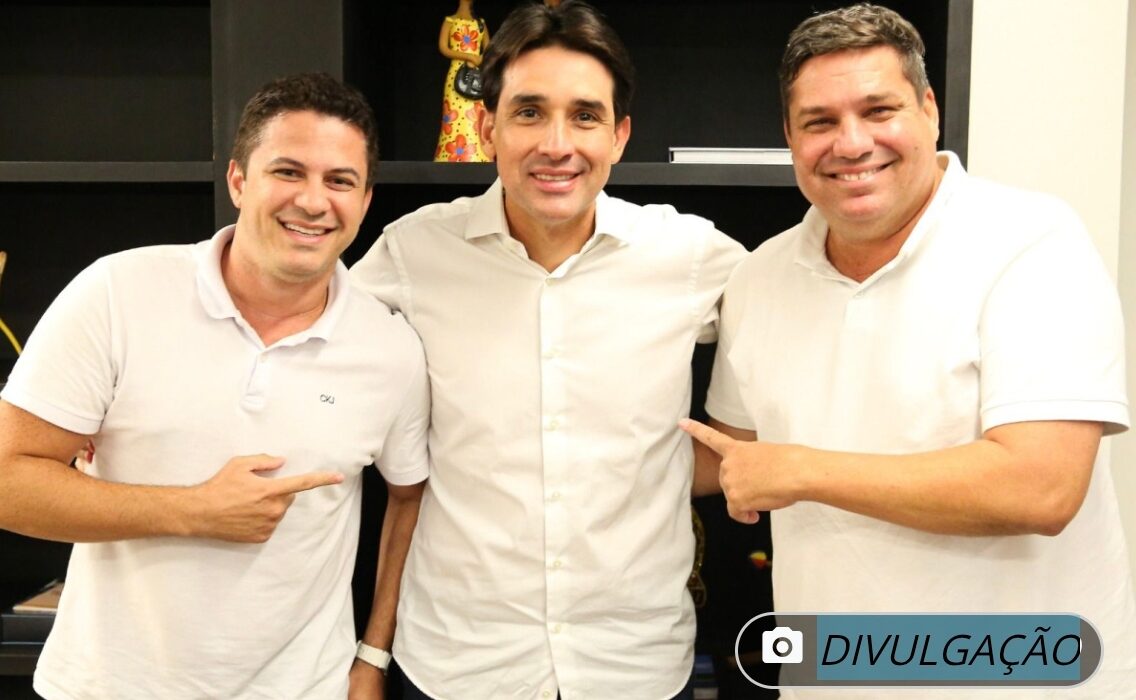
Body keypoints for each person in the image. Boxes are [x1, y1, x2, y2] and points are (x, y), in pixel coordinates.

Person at [682, 3, 1136, 697]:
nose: (851, 142)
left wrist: (802, 470)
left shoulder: (1031, 242)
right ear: (789, 136)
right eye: (819, 122)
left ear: (929, 110)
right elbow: (735, 454)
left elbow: (1042, 487)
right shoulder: (760, 275)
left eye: (878, 110)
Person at [350, 1, 746, 697]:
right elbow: (308, 344)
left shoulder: (688, 254)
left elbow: (802, 334)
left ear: (619, 136)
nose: (557, 144)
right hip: (458, 666)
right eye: (529, 112)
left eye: (585, 116)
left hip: (635, 667)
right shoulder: (415, 251)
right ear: (487, 127)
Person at [0, 72, 429, 699]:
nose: (314, 201)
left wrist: (373, 655)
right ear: (238, 180)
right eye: (288, 172)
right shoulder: (117, 293)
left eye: (339, 181)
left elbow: (410, 498)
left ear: (365, 201)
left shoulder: (391, 349)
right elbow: (8, 481)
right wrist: (193, 509)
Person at [434, 0, 491, 162]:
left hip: (475, 74)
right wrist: (468, 56)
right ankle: (450, 153)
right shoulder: (450, 21)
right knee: (453, 112)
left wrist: (480, 59)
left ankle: (477, 153)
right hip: (457, 72)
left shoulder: (480, 23)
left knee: (476, 113)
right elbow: (444, 47)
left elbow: (489, 48)